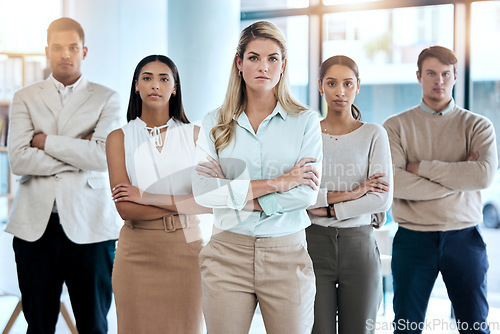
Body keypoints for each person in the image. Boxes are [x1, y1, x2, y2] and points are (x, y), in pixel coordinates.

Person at [191, 20, 322, 334]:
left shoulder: (305, 121)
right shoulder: (214, 122)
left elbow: (306, 194)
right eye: (253, 57)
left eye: (272, 58)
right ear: (239, 63)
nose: (263, 66)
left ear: (283, 65)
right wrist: (280, 182)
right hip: (226, 253)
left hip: (287, 255)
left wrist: (233, 194)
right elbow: (204, 194)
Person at [6, 17, 121, 333]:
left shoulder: (106, 97)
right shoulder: (25, 97)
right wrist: (76, 153)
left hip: (91, 227)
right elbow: (18, 159)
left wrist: (45, 143)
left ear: (84, 51)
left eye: (72, 47)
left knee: (94, 325)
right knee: (39, 325)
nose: (65, 54)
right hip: (35, 229)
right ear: (47, 51)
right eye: (57, 47)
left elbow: (101, 157)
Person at [383, 45, 497, 334]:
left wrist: (420, 166)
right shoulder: (395, 127)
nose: (439, 80)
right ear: (419, 76)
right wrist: (457, 179)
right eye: (431, 73)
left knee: (474, 326)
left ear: (456, 75)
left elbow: (483, 177)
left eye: (446, 74)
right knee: (406, 327)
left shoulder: (478, 126)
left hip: (464, 238)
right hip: (412, 238)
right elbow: (394, 182)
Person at [106, 54, 209, 334]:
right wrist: (183, 204)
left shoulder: (196, 136)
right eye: (147, 78)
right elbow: (126, 209)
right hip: (136, 250)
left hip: (186, 250)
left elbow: (209, 203)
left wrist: (146, 196)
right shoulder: (119, 138)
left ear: (174, 88)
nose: (155, 85)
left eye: (164, 79)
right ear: (136, 86)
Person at [306, 55, 393, 334]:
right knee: (317, 329)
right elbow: (300, 193)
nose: (340, 91)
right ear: (320, 86)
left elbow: (381, 198)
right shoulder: (307, 135)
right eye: (332, 83)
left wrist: (330, 209)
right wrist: (353, 193)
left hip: (360, 245)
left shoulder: (373, 134)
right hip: (312, 243)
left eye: (347, 83)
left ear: (358, 86)